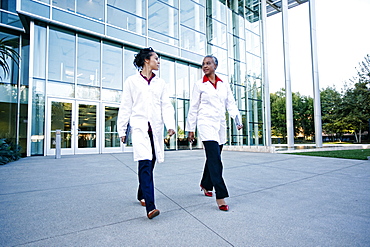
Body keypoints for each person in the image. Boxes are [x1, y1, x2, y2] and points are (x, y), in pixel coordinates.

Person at [118, 47, 176, 219]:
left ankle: (141, 193)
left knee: (150, 164)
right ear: (146, 60)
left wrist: (170, 125)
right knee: (144, 163)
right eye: (156, 58)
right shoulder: (131, 82)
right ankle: (150, 206)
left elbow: (166, 105)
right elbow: (126, 107)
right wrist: (122, 129)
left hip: (155, 129)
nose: (158, 62)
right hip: (139, 128)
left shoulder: (161, 83)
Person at [186, 55, 243, 211]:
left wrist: (237, 121)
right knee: (215, 159)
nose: (205, 66)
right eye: (203, 64)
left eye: (208, 63)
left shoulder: (223, 85)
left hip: (220, 126)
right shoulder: (199, 85)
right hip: (205, 124)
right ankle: (221, 196)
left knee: (213, 157)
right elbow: (193, 107)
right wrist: (190, 128)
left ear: (215, 66)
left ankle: (205, 184)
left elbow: (231, 104)